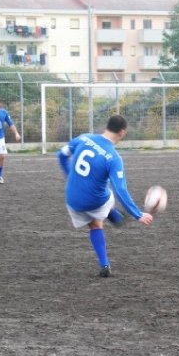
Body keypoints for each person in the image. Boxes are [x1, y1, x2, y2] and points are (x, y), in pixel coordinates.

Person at [58, 114, 153, 277]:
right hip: (95, 201)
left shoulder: (84, 137)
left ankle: (105, 263)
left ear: (106, 126)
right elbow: (121, 191)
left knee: (94, 223)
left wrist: (70, 177)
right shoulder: (114, 158)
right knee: (108, 193)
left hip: (72, 200)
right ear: (122, 133)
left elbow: (61, 155)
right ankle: (112, 215)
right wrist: (138, 214)